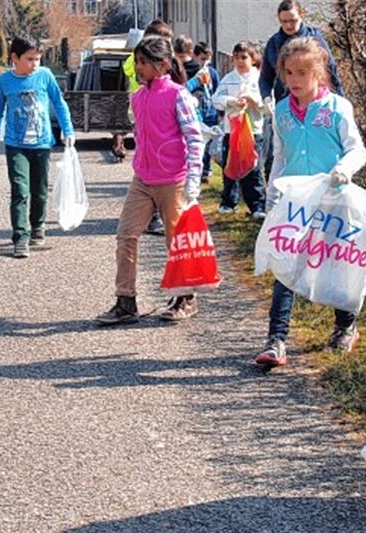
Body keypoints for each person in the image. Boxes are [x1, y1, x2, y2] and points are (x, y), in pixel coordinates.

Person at [255, 37, 366, 367]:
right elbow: (279, 157)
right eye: (289, 72)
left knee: (338, 263)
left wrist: (344, 169)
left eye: (303, 72)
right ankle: (276, 340)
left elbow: (357, 149)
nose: (295, 80)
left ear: (318, 72)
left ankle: (345, 327)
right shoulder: (282, 112)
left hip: (334, 200)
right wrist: (272, 195)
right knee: (286, 268)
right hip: (295, 202)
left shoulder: (337, 108)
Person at [95, 36, 204, 325]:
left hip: (174, 180)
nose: (138, 68)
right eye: (137, 62)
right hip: (143, 179)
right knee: (126, 234)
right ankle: (125, 301)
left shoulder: (178, 95)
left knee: (176, 240)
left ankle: (185, 297)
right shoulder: (138, 96)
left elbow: (194, 138)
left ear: (163, 64)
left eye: (143, 62)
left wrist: (194, 178)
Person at [0, 35, 75, 258]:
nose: (35, 64)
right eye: (29, 59)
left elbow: (59, 102)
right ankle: (20, 236)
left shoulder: (44, 76)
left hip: (42, 143)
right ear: (15, 58)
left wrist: (68, 130)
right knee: (19, 191)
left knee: (40, 190)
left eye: (37, 59)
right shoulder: (5, 81)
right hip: (16, 144)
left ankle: (38, 226)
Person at [258, 0, 345, 180]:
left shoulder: (316, 38)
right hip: (287, 108)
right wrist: (266, 97)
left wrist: (340, 99)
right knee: (279, 154)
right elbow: (265, 78)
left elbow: (331, 70)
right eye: (284, 21)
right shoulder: (274, 44)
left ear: (302, 16)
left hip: (316, 106)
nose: (289, 25)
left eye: (293, 20)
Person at [120, 19, 175, 236]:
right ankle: (151, 214)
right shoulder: (137, 62)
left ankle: (157, 213)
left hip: (160, 112)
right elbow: (128, 69)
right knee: (146, 158)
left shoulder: (167, 72)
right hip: (141, 108)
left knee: (159, 162)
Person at [211, 41, 267, 219]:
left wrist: (254, 101)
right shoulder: (229, 78)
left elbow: (268, 105)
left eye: (244, 57)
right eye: (236, 58)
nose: (240, 61)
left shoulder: (260, 79)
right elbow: (216, 99)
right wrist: (230, 101)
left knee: (253, 168)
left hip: (253, 131)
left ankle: (257, 205)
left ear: (253, 59)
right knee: (231, 166)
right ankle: (229, 202)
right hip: (232, 130)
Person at [190, 40, 222, 183]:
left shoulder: (212, 73)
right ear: (194, 56)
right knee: (197, 141)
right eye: (202, 59)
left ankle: (206, 170)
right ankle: (197, 168)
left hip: (211, 111)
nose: (205, 63)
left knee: (209, 143)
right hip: (197, 112)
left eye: (207, 59)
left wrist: (219, 112)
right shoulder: (191, 71)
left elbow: (218, 91)